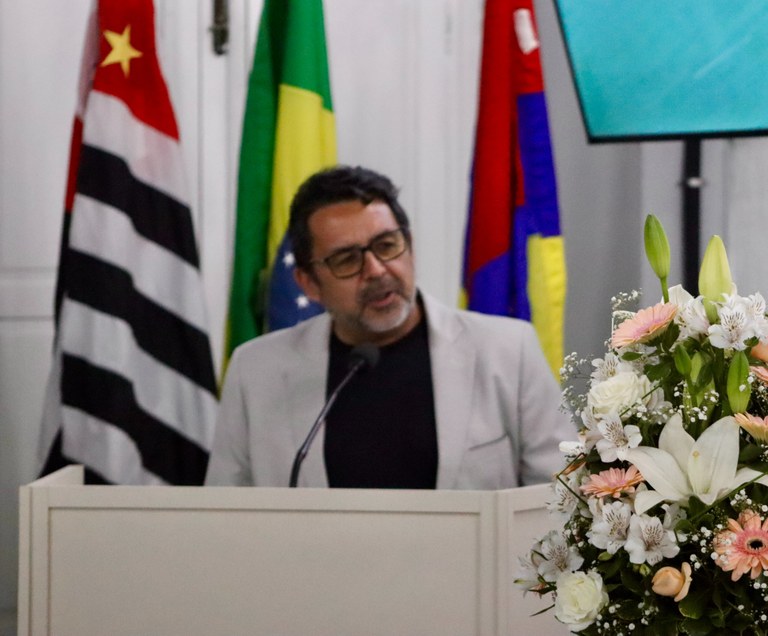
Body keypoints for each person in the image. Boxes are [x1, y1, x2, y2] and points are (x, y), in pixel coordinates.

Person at [205, 165, 574, 489]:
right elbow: (226, 513)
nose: (377, 270)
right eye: (346, 260)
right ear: (308, 283)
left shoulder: (508, 351)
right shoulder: (256, 371)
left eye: (386, 245)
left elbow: (563, 494)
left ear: (409, 244)